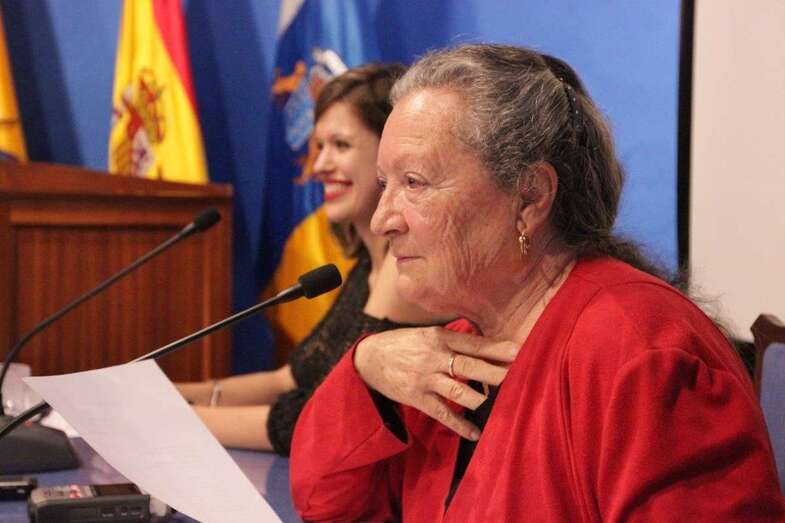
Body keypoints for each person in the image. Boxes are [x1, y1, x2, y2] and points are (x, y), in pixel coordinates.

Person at [290, 44, 785, 521]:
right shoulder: (454, 353)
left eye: (414, 183)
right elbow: (330, 504)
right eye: (384, 185)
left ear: (530, 197)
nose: (382, 220)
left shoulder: (641, 349)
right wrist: (365, 372)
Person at [177, 63, 442, 455]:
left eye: (341, 145)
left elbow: (327, 417)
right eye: (319, 147)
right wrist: (174, 394)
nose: (318, 166)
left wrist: (182, 420)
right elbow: (292, 378)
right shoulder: (368, 265)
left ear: (391, 151)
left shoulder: (405, 272)